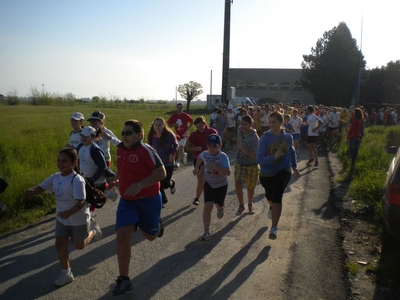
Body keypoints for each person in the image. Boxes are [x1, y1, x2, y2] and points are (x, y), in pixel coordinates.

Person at [25, 147, 102, 287]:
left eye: (65, 161)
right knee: (60, 244)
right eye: (59, 161)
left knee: (79, 245)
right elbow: (42, 187)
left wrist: (69, 213)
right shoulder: (55, 177)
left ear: (74, 163)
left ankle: (94, 229)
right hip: (62, 218)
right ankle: (66, 273)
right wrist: (33, 191)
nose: (61, 164)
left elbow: (81, 202)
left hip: (78, 218)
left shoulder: (77, 180)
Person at [108, 119, 166, 296]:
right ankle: (124, 279)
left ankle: (156, 224)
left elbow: (161, 173)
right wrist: (117, 180)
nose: (124, 136)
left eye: (128, 133)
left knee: (150, 236)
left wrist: (140, 184)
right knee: (122, 236)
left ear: (139, 135)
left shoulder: (146, 151)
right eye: (123, 132)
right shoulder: (119, 150)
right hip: (127, 201)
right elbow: (125, 170)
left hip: (148, 200)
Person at [257, 111, 300, 240]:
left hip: (283, 169)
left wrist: (295, 167)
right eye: (269, 122)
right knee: (269, 196)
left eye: (274, 122)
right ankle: (272, 207)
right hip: (266, 172)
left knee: (277, 196)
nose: (271, 125)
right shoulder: (265, 138)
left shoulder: (288, 137)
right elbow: (259, 159)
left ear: (281, 123)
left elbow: (291, 153)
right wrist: (273, 157)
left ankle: (274, 228)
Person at [193, 134, 231, 241]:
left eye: (214, 146)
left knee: (218, 204)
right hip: (209, 183)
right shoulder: (205, 154)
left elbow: (228, 172)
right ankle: (206, 232)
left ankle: (220, 208)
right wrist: (196, 168)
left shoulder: (223, 157)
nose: (211, 148)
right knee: (208, 206)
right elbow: (199, 159)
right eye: (209, 145)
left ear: (220, 146)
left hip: (221, 185)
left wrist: (214, 166)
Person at [147, 117, 178, 208]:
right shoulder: (152, 136)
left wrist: (173, 153)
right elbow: (149, 147)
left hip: (168, 162)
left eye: (160, 125)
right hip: (158, 163)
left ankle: (171, 183)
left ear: (164, 126)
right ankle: (163, 200)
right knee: (159, 181)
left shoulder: (169, 135)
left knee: (165, 184)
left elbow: (176, 145)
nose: (157, 127)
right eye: (155, 125)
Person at [186, 116, 218, 206]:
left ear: (204, 124)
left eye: (200, 126)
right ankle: (206, 193)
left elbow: (218, 144)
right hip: (198, 158)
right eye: (197, 127)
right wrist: (196, 147)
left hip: (209, 158)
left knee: (201, 179)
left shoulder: (212, 132)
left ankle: (197, 198)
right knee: (201, 180)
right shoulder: (194, 134)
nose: (199, 128)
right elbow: (188, 146)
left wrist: (214, 151)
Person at [234, 115, 260, 215]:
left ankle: (249, 203)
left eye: (246, 124)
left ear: (251, 125)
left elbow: (254, 155)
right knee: (238, 184)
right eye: (242, 124)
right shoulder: (239, 133)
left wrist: (241, 148)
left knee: (250, 187)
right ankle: (241, 205)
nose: (243, 126)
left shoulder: (255, 137)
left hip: (252, 164)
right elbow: (239, 144)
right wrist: (237, 148)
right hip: (240, 162)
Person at [167, 103, 193, 167]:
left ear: (182, 108)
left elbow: (192, 121)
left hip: (184, 134)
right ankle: (184, 154)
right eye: (178, 107)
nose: (179, 109)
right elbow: (168, 124)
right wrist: (174, 125)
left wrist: (188, 127)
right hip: (176, 134)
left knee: (181, 147)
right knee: (178, 147)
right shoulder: (174, 116)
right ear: (176, 108)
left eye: (180, 107)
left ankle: (178, 162)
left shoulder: (186, 115)